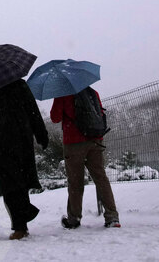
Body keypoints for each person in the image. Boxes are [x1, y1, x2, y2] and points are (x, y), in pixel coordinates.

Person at [0, 78, 49, 240]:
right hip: (20, 136)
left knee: (9, 182)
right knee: (20, 178)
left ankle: (21, 223)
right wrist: (41, 134)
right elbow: (32, 109)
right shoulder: (18, 83)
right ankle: (23, 218)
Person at [51, 87, 120, 229]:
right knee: (101, 178)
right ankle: (112, 217)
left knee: (75, 182)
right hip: (95, 139)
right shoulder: (93, 92)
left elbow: (55, 117)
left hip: (73, 142)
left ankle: (74, 219)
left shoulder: (62, 93)